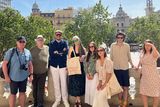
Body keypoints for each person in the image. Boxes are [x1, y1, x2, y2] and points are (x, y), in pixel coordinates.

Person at [2, 36, 33, 107]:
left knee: (22, 93)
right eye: (20, 41)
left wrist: (31, 74)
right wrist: (6, 76)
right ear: (17, 42)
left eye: (23, 41)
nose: (22, 43)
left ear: (25, 43)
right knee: (13, 94)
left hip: (24, 77)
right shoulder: (11, 51)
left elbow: (30, 64)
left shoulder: (27, 52)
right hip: (13, 77)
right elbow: (4, 64)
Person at [110, 31, 134, 107]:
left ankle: (125, 103)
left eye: (121, 37)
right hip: (116, 69)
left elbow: (129, 57)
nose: (120, 39)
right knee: (119, 88)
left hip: (125, 68)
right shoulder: (112, 45)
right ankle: (120, 103)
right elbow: (111, 58)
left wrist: (133, 65)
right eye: (118, 37)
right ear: (116, 38)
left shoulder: (127, 46)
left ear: (123, 38)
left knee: (126, 87)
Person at [136, 39, 160, 107]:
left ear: (152, 46)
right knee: (143, 92)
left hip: (153, 76)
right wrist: (137, 66)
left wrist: (152, 45)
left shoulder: (154, 53)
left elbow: (157, 55)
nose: (147, 47)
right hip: (144, 76)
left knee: (156, 93)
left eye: (149, 45)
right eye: (146, 45)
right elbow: (140, 61)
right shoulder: (142, 52)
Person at [49, 30, 69, 107]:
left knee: (64, 83)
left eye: (59, 35)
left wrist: (57, 52)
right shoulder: (51, 43)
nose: (58, 36)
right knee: (56, 84)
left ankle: (65, 100)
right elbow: (51, 53)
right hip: (54, 66)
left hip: (63, 65)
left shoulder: (65, 42)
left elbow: (66, 52)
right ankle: (57, 100)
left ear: (61, 35)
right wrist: (61, 52)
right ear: (55, 35)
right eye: (57, 35)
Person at [30, 35, 49, 107]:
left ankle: (40, 104)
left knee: (41, 89)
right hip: (34, 73)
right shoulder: (32, 50)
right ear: (36, 41)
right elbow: (29, 62)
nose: (40, 41)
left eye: (41, 40)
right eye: (39, 40)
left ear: (43, 41)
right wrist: (30, 74)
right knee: (35, 89)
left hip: (43, 72)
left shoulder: (47, 48)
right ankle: (35, 103)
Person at [92, 43, 112, 107]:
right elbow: (98, 73)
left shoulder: (108, 61)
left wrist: (104, 84)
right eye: (98, 51)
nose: (99, 52)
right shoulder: (98, 61)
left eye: (101, 50)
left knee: (100, 98)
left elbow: (109, 74)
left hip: (108, 82)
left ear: (104, 51)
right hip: (101, 81)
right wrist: (100, 83)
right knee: (96, 97)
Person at [68, 36, 86, 107]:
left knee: (80, 85)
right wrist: (76, 58)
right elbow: (69, 58)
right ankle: (78, 101)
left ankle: (77, 101)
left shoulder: (83, 49)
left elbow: (85, 59)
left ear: (79, 40)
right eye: (74, 40)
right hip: (73, 69)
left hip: (81, 69)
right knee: (74, 85)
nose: (76, 41)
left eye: (77, 40)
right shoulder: (71, 48)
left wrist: (83, 58)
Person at [84, 41, 98, 106]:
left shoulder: (97, 55)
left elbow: (97, 66)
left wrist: (92, 74)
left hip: (94, 75)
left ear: (95, 47)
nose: (91, 48)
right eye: (89, 47)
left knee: (93, 89)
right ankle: (89, 103)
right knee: (88, 89)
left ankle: (94, 103)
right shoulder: (87, 55)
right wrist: (87, 73)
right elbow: (85, 65)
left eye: (92, 46)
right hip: (88, 75)